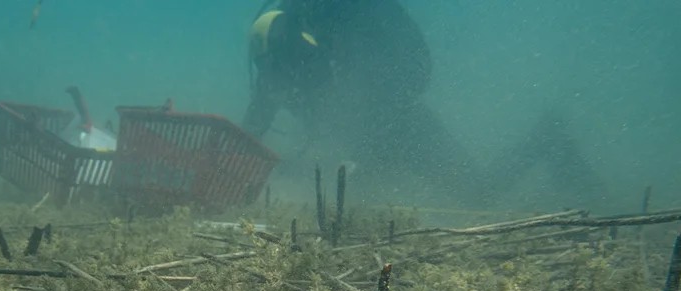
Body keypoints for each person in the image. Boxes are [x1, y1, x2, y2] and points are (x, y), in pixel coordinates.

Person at [243, 0, 602, 206]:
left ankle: (546, 139)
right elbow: (257, 118)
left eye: (280, 74)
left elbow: (381, 86)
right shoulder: (283, 55)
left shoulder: (339, 38)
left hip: (406, 126)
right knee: (355, 209)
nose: (278, 86)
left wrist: (370, 142)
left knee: (477, 194)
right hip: (372, 142)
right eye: (270, 75)